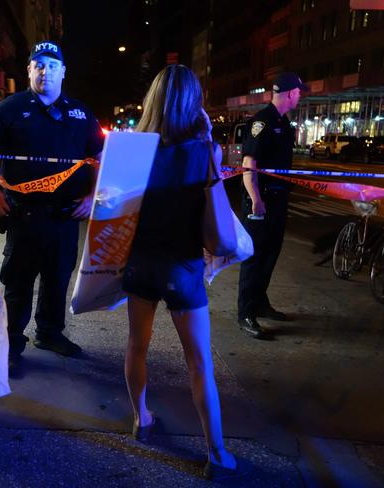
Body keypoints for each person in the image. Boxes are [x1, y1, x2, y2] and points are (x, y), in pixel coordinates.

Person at [122, 64, 241, 481]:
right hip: (183, 267)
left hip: (140, 262)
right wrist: (208, 140)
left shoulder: (133, 149)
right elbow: (216, 209)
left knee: (137, 346)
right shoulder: (205, 151)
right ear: (195, 103)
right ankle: (217, 451)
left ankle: (141, 418)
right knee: (198, 362)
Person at [0, 41, 104, 376]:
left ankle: (49, 333)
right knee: (18, 282)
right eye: (39, 65)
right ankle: (11, 344)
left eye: (52, 65)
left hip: (65, 215)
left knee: (57, 278)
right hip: (23, 213)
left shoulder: (80, 113)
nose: (45, 71)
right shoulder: (10, 108)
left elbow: (100, 159)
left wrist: (92, 197)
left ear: (63, 71)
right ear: (29, 70)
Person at [237, 72, 308, 339]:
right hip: (261, 200)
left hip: (278, 200)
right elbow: (249, 164)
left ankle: (260, 302)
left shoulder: (283, 122)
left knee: (270, 255)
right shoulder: (262, 122)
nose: (301, 96)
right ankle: (246, 313)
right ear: (290, 93)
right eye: (299, 92)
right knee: (254, 259)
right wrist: (256, 199)